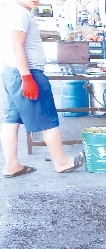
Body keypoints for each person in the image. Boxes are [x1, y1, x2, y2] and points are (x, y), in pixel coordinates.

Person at [2, 0, 84, 177]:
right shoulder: (19, 13)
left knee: (11, 119)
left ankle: (12, 165)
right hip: (27, 72)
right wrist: (27, 77)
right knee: (48, 118)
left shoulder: (13, 10)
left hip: (12, 72)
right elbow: (16, 46)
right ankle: (61, 162)